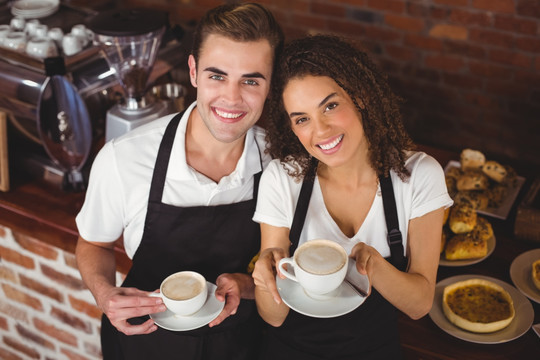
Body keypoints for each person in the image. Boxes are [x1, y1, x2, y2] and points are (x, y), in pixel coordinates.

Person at [75, 3, 283, 359]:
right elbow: (94, 244)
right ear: (193, 71)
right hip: (145, 343)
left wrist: (248, 286)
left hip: (244, 345)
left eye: (250, 80)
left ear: (270, 85)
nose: (232, 98)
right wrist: (103, 293)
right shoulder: (124, 158)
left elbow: (283, 267)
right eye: (217, 76)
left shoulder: (280, 164)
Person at [252, 34, 453, 359]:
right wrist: (264, 279)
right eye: (302, 119)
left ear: (360, 97)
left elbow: (419, 304)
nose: (320, 131)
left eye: (330, 106)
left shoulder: (418, 175)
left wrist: (372, 263)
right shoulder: (283, 178)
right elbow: (273, 317)